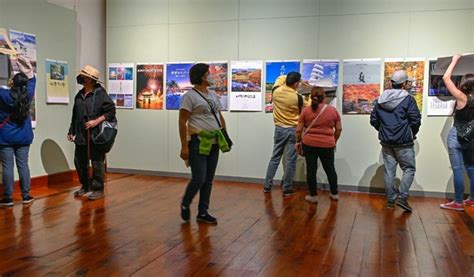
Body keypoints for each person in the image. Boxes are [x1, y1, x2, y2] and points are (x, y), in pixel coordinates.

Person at [179, 63, 230, 224]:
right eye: (209, 73)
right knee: (199, 178)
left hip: (215, 142)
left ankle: (203, 212)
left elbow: (219, 116)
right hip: (198, 142)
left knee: (208, 179)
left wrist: (225, 135)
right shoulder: (189, 97)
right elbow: (182, 121)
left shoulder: (213, 95)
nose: (212, 76)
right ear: (202, 76)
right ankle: (185, 203)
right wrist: (184, 146)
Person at [370, 70, 421, 212]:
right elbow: (415, 120)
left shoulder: (381, 99)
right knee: (409, 169)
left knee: (389, 171)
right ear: (404, 84)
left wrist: (383, 130)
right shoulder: (408, 99)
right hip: (404, 141)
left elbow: (373, 120)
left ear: (392, 83)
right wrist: (411, 133)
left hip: (386, 142)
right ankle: (402, 198)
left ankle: (391, 200)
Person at [67, 65, 116, 200]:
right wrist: (71, 130)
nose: (80, 77)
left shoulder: (100, 94)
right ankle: (85, 185)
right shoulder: (80, 95)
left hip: (96, 134)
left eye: (83, 76)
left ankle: (98, 189)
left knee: (97, 162)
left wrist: (96, 121)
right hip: (81, 134)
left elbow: (111, 111)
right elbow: (75, 115)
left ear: (89, 79)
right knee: (79, 161)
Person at [296, 87, 342, 203]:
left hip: (309, 144)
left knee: (311, 170)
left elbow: (298, 130)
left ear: (311, 97)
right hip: (327, 144)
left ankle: (313, 195)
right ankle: (334, 193)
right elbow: (339, 129)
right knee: (330, 169)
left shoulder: (306, 111)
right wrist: (334, 140)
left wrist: (299, 141)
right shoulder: (332, 111)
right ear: (324, 97)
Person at [0, 56, 35, 207]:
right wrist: (28, 69)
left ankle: (8, 198)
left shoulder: (3, 94)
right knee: (23, 165)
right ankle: (26, 196)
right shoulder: (28, 95)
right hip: (24, 136)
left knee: (7, 167)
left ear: (12, 83)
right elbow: (32, 81)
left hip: (5, 137)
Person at [263, 72, 306, 197]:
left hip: (279, 129)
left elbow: (280, 78)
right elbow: (309, 104)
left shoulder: (276, 90)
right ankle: (287, 188)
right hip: (293, 130)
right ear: (296, 84)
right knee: (291, 160)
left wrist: (299, 80)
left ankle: (267, 185)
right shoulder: (297, 97)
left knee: (275, 158)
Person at [440, 54, 474, 211]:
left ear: (465, 84)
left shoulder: (462, 98)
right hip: (471, 138)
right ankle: (472, 199)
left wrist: (455, 60)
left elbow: (446, 78)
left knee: (458, 169)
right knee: (472, 168)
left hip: (456, 137)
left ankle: (458, 202)